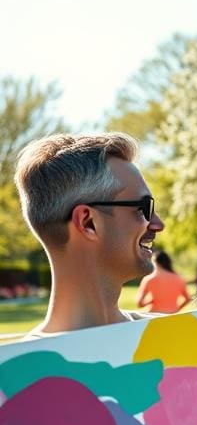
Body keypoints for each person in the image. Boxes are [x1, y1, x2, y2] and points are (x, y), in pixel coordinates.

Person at [13, 132, 164, 335]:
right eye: (143, 208)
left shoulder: (188, 338)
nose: (157, 224)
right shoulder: (18, 367)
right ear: (88, 222)